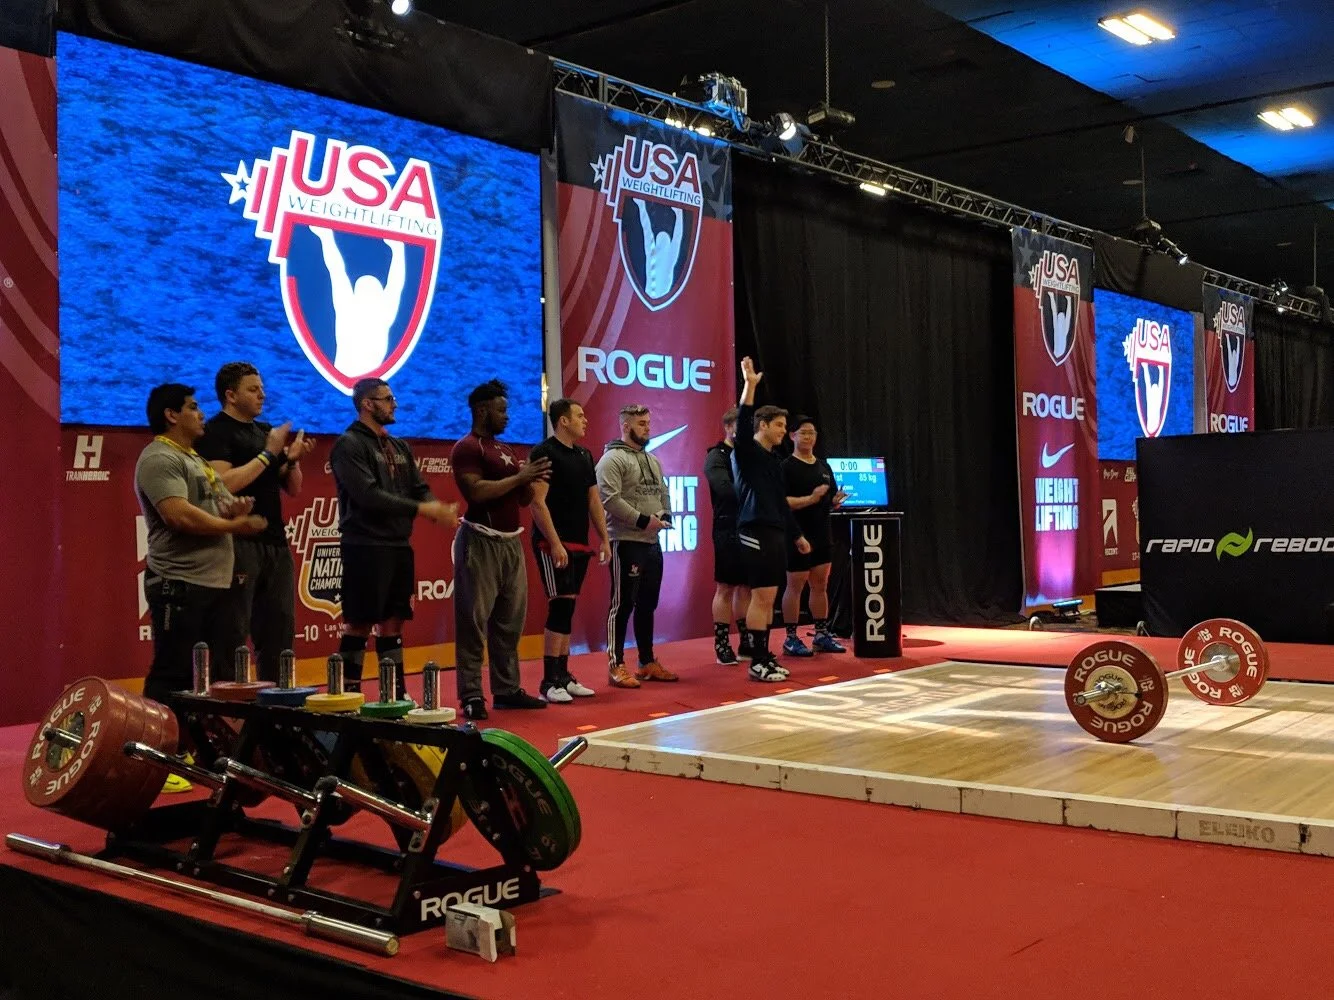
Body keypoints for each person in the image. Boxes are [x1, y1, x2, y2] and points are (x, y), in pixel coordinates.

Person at [135, 383, 267, 706]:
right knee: (174, 673)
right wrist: (234, 525)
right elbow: (178, 515)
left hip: (213, 583)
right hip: (179, 584)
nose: (202, 414)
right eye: (193, 407)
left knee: (216, 673)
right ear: (171, 415)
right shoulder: (159, 458)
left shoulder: (196, 459)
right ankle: (157, 735)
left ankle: (199, 735)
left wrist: (234, 509)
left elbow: (213, 505)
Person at [329, 378, 458, 696]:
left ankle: (394, 693)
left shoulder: (399, 446)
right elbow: (368, 495)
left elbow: (419, 487)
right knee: (359, 622)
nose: (394, 404)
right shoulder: (348, 444)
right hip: (364, 545)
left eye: (393, 398)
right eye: (387, 399)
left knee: (394, 621)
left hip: (398, 545)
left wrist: (435, 507)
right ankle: (347, 694)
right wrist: (424, 509)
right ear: (367, 404)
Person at [196, 362, 316, 683]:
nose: (262, 394)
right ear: (230, 395)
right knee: (231, 632)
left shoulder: (265, 432)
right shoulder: (215, 431)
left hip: (275, 543)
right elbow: (222, 483)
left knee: (279, 631)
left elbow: (293, 488)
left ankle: (277, 702)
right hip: (236, 542)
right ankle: (228, 705)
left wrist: (292, 460)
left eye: (262, 388)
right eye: (253, 389)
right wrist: (268, 454)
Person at [450, 379, 551, 720]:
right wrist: (521, 478)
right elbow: (476, 492)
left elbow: (522, 499)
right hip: (480, 541)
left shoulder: (506, 449)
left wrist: (532, 481)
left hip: (511, 542)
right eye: (501, 410)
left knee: (509, 622)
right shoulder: (467, 448)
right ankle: (471, 695)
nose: (507, 416)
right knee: (473, 623)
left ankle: (506, 690)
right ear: (482, 411)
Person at [732, 357, 810, 681]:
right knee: (762, 596)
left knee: (770, 598)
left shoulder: (774, 461)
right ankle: (757, 661)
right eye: (778, 425)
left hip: (775, 530)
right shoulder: (747, 452)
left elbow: (780, 502)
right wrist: (750, 386)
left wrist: (797, 535)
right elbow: (742, 424)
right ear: (763, 426)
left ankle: (765, 656)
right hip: (754, 530)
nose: (783, 431)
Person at [528, 398, 611, 703]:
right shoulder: (544, 453)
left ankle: (563, 675)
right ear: (563, 421)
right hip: (551, 543)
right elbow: (537, 502)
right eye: (579, 415)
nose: (585, 420)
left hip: (578, 543)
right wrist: (554, 543)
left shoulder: (585, 455)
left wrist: (604, 539)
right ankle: (549, 681)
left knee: (568, 608)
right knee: (560, 607)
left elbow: (593, 500)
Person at [596, 403, 677, 688]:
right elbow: (609, 499)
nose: (647, 428)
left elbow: (663, 491)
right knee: (622, 605)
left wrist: (666, 516)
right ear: (626, 426)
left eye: (648, 423)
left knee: (647, 604)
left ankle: (646, 662)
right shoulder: (611, 459)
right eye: (641, 424)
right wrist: (643, 521)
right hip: (626, 541)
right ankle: (615, 665)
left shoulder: (652, 460)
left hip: (652, 543)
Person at [780, 416, 848, 657]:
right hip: (797, 534)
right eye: (804, 432)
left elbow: (828, 500)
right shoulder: (786, 467)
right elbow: (782, 503)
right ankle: (791, 638)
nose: (809, 437)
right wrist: (811, 498)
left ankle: (821, 633)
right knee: (795, 585)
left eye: (812, 433)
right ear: (793, 436)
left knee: (820, 585)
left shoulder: (823, 466)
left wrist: (835, 501)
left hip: (822, 533)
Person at [703, 407, 751, 664]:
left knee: (746, 586)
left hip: (750, 526)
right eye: (740, 428)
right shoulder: (716, 456)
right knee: (725, 586)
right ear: (729, 427)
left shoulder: (748, 455)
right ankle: (721, 643)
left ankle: (746, 641)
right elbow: (724, 490)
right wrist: (755, 495)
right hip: (727, 526)